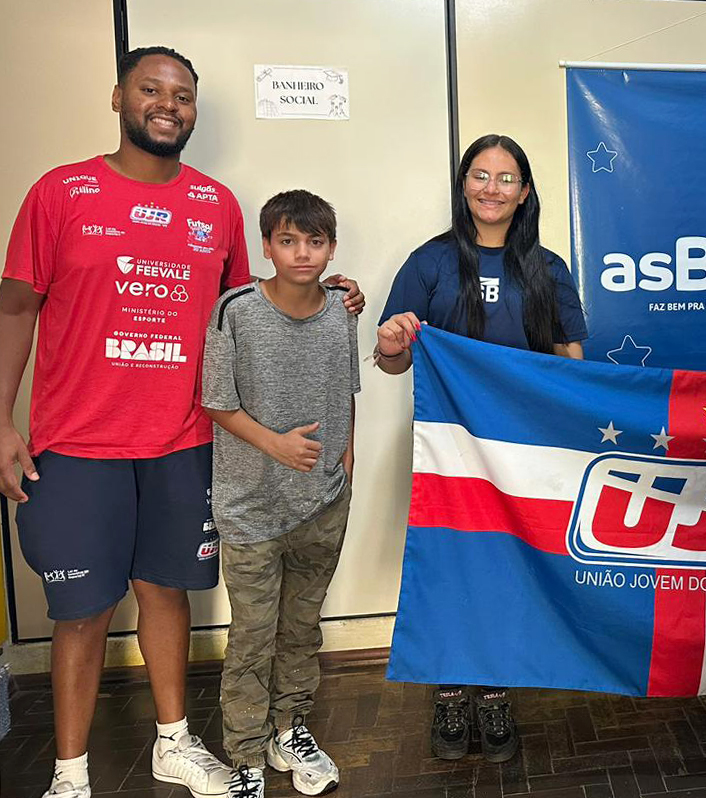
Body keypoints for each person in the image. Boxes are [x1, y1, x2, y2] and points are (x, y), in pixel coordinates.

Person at [0, 47, 362, 798]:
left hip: (186, 441)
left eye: (183, 95)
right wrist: (1, 421)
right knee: (83, 612)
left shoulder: (216, 204)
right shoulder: (59, 192)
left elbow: (249, 309)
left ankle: (173, 743)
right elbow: (15, 308)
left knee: (168, 593)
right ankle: (70, 776)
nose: (168, 104)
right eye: (151, 89)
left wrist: (322, 288)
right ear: (118, 97)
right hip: (77, 441)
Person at [376, 133, 587, 763]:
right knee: (448, 564)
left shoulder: (548, 269)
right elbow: (393, 360)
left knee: (507, 566)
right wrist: (390, 343)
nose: (492, 188)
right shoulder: (430, 262)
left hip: (523, 452)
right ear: (464, 184)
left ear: (524, 193)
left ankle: (495, 690)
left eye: (506, 178)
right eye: (480, 175)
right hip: (447, 451)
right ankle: (449, 690)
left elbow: (572, 359)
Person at [202, 190, 359, 798]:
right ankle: (244, 753)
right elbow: (216, 402)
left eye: (315, 242)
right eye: (288, 241)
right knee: (252, 635)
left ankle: (289, 729)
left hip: (322, 504)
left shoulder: (342, 310)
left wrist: (346, 461)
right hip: (250, 506)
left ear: (331, 248)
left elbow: (346, 391)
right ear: (266, 246)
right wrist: (276, 446)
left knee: (301, 628)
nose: (302, 253)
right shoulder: (235, 311)